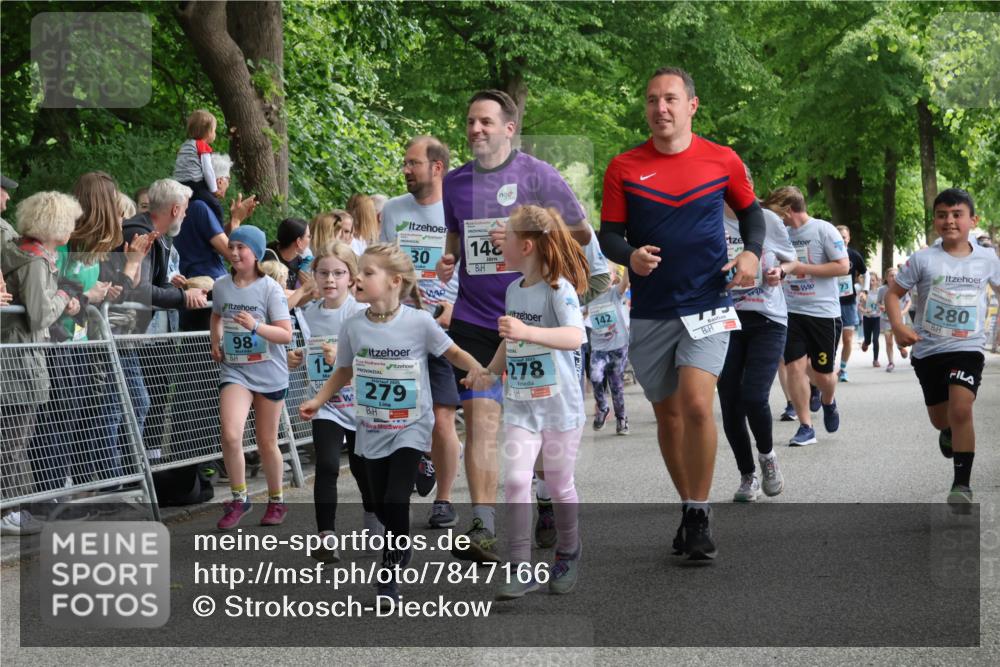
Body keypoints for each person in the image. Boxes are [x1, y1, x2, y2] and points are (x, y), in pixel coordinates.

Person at [598, 67, 765, 560]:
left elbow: (751, 214)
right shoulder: (623, 166)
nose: (660, 108)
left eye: (670, 99)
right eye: (652, 100)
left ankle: (699, 510)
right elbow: (609, 233)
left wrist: (752, 253)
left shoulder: (722, 159)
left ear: (692, 105)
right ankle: (689, 507)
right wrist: (629, 255)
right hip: (651, 309)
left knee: (696, 404)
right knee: (668, 416)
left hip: (709, 301)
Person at [435, 89, 590, 562]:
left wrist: (525, 233)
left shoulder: (537, 175)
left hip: (534, 319)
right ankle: (483, 524)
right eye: (470, 122)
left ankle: (546, 494)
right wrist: (450, 258)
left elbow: (581, 231)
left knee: (538, 420)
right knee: (481, 418)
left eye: (485, 121)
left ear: (508, 128)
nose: (475, 129)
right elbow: (457, 236)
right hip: (478, 317)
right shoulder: (455, 183)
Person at [299, 244, 485, 605]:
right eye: (361, 272)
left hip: (410, 426)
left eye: (368, 273)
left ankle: (389, 571)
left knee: (396, 498)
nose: (358, 278)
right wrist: (318, 400)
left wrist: (479, 370)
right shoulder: (353, 326)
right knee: (378, 503)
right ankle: (401, 542)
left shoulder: (418, 322)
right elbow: (344, 370)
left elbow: (452, 352)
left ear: (394, 281)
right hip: (370, 429)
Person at [465, 205, 588, 599]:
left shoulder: (558, 288)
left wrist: (527, 331)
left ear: (528, 245)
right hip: (521, 404)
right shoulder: (513, 289)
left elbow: (574, 337)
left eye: (507, 239)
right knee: (517, 480)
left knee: (558, 483)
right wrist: (487, 370)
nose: (499, 245)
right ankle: (520, 567)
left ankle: (568, 551)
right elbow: (510, 338)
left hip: (559, 407)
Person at [886, 188, 1000, 510]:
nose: (949, 221)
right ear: (935, 220)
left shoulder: (987, 259)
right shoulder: (923, 259)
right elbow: (892, 295)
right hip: (928, 349)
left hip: (968, 346)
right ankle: (948, 430)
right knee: (941, 419)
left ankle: (962, 484)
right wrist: (898, 326)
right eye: (942, 215)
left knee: (962, 408)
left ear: (972, 220)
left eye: (957, 214)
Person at [380, 135, 464, 528]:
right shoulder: (394, 210)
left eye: (413, 163)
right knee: (401, 415)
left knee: (443, 417)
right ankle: (421, 461)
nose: (406, 170)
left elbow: (476, 268)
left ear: (437, 168)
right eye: (405, 163)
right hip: (401, 328)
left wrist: (454, 306)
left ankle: (444, 501)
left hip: (444, 327)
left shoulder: (459, 210)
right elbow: (381, 265)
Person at [288, 242, 380, 562]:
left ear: (351, 278)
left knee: (362, 468)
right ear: (313, 276)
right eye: (324, 273)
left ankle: (372, 518)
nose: (330, 280)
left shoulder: (358, 312)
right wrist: (297, 356)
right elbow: (308, 350)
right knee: (326, 465)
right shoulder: (307, 314)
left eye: (338, 273)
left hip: (360, 402)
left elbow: (373, 360)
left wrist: (342, 359)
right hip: (325, 403)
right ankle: (326, 537)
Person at [0, 191, 80, 535]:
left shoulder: (24, 253)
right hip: (21, 363)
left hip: (18, 358)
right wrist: (65, 295)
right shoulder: (33, 261)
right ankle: (10, 510)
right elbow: (39, 316)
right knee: (14, 441)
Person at [210, 225, 294, 530]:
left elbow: (285, 334)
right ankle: (240, 498)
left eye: (241, 248)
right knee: (231, 434)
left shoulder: (270, 288)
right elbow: (217, 314)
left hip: (270, 373)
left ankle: (276, 499)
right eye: (231, 247)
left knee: (266, 442)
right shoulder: (221, 286)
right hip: (237, 370)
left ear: (256, 253)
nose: (233, 253)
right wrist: (215, 339)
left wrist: (255, 327)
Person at [717, 178, 796, 502]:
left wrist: (782, 272)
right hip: (724, 319)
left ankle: (767, 457)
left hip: (767, 318)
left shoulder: (768, 220)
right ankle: (747, 475)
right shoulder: (708, 220)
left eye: (742, 182)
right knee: (730, 402)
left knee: (753, 395)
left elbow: (789, 259)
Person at [763, 186, 850, 447]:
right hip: (790, 310)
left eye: (777, 211)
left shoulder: (823, 230)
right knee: (794, 366)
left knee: (823, 375)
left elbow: (842, 266)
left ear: (788, 210)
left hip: (823, 313)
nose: (774, 217)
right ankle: (805, 426)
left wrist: (800, 267)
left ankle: (828, 399)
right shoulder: (782, 234)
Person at [173, 152, 257, 329]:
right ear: (219, 181)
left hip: (192, 287)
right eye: (228, 179)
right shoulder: (201, 207)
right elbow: (232, 254)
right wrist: (235, 221)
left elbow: (215, 239)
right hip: (206, 288)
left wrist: (236, 220)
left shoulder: (193, 205)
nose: (228, 184)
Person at [588, 264, 631, 435]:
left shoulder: (615, 293)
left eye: (607, 274)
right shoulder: (588, 297)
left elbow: (626, 281)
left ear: (613, 277)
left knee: (616, 385)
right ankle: (603, 408)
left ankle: (621, 418)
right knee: (596, 376)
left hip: (618, 346)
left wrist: (627, 259)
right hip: (599, 347)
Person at [172, 109, 224, 222]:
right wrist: (214, 190)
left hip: (179, 184)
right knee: (216, 207)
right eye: (214, 130)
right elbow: (207, 171)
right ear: (208, 132)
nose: (215, 133)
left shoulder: (184, 145)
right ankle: (220, 233)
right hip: (194, 184)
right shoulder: (202, 146)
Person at [834, 225, 868, 382]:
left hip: (848, 303)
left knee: (847, 339)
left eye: (844, 237)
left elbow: (865, 273)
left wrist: (865, 291)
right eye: (838, 236)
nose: (841, 239)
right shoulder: (828, 254)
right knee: (831, 338)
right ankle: (828, 368)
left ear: (849, 238)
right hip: (830, 302)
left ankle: (843, 368)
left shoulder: (853, 255)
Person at [265, 218, 312, 291]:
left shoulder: (298, 260)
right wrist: (305, 289)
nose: (310, 240)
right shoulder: (268, 258)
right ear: (299, 242)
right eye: (308, 236)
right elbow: (279, 294)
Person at [878, 268, 910, 372]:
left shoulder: (902, 287)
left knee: (899, 339)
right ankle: (891, 362)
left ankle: (901, 347)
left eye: (895, 275)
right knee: (888, 341)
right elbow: (878, 302)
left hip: (899, 319)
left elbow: (908, 302)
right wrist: (881, 306)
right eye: (891, 275)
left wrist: (903, 312)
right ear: (886, 278)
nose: (893, 277)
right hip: (886, 319)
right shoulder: (882, 289)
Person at [859, 272, 882, 366]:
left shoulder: (880, 292)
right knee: (868, 340)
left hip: (877, 318)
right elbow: (859, 306)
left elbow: (884, 303)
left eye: (873, 280)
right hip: (867, 318)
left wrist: (882, 307)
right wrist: (864, 310)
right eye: (870, 280)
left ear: (877, 281)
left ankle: (875, 360)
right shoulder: (864, 293)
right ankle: (865, 342)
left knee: (875, 339)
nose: (871, 282)